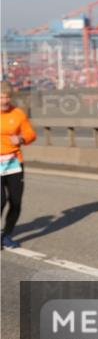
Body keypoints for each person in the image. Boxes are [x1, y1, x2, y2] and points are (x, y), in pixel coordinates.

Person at [1, 81, 36, 249]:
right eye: (1, 97)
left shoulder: (18, 113)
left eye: (7, 97)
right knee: (0, 200)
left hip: (14, 162)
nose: (4, 101)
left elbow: (30, 133)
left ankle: (7, 235)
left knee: (16, 202)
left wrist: (22, 139)